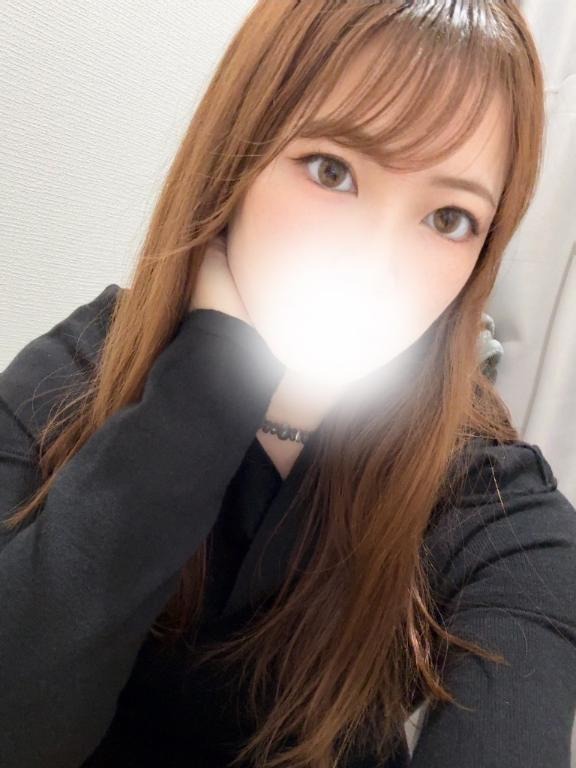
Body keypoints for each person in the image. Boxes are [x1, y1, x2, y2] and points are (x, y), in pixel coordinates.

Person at [1, 2, 575, 767]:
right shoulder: (73, 380)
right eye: (332, 171)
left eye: (448, 218)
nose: (375, 264)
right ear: (235, 163)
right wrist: (211, 377)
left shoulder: (488, 500)